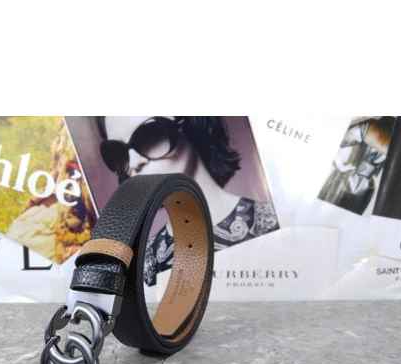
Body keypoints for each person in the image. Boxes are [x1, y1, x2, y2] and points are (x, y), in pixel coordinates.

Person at [96, 116, 279, 284]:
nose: (134, 163)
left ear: (191, 123)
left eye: (149, 136)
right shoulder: (141, 263)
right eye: (118, 152)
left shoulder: (272, 224)